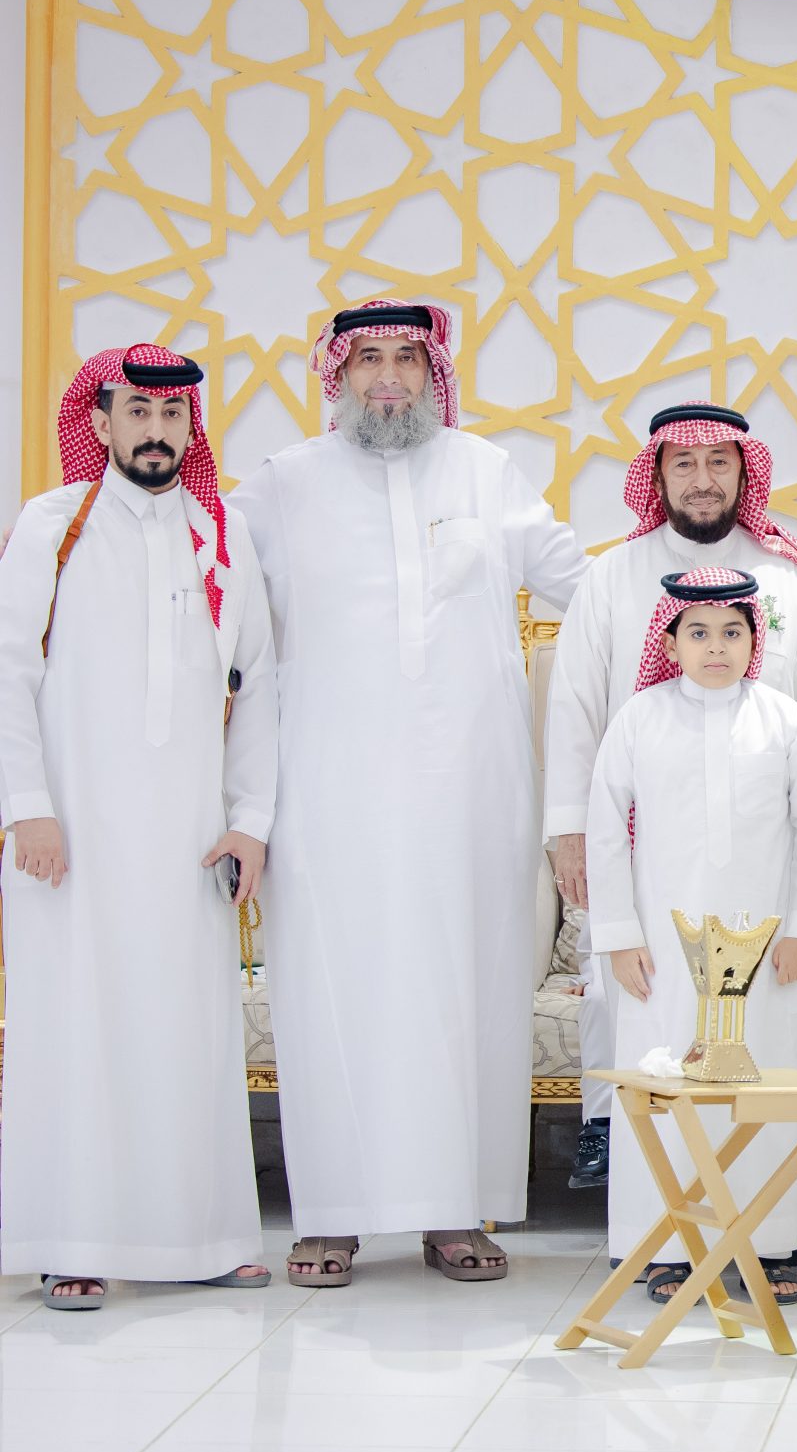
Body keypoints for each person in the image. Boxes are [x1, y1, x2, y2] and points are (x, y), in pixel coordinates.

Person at [229, 298, 587, 1287]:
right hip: (328, 791)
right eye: (369, 359)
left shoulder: (486, 473)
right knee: (330, 991)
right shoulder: (284, 484)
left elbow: (593, 589)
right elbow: (203, 581)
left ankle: (454, 1209)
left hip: (470, 790)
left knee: (465, 992)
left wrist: (741, 595)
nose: (388, 378)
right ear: (338, 372)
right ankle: (330, 1217)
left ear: (434, 373)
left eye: (407, 359)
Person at [0, 345, 278, 1309]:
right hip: (69, 834)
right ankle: (70, 1238)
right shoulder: (53, 526)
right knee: (77, 1028)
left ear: (190, 426)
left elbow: (260, 687)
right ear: (102, 420)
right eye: (137, 412)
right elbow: (9, 671)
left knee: (186, 1032)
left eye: (171, 415)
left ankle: (201, 1237)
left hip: (187, 837)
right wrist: (26, 806)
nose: (156, 431)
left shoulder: (222, 534)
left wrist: (249, 822)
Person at [545, 401, 797, 1186]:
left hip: (766, 848)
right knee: (635, 995)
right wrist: (569, 829)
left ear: (745, 471)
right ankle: (618, 1141)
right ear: (658, 474)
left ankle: (762, 1192)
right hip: (645, 838)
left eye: (719, 463)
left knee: (766, 1022)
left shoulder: (793, 573)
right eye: (684, 463)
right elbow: (575, 706)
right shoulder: (612, 575)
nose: (702, 479)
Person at [586, 568, 797, 1304]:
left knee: (768, 1082)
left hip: (770, 947)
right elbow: (605, 828)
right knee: (668, 1085)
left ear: (754, 640)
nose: (716, 646)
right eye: (698, 632)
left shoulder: (783, 719)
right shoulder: (639, 718)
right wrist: (619, 935)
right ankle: (665, 1246)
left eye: (732, 632)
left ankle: (772, 1242)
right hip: (663, 950)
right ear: (670, 642)